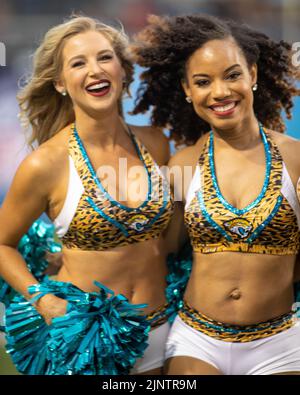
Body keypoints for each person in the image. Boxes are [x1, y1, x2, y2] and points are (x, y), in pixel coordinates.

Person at [0, 15, 175, 375]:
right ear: (61, 83)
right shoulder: (45, 164)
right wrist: (44, 301)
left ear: (123, 71)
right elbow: (2, 244)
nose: (95, 70)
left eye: (104, 58)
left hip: (163, 333)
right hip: (87, 348)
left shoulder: (157, 143)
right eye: (79, 63)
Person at [131, 14, 300, 375]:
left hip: (280, 343)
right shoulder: (183, 164)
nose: (220, 92)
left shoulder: (296, 159)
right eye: (203, 82)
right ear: (188, 90)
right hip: (197, 341)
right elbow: (164, 252)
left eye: (233, 75)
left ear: (253, 75)